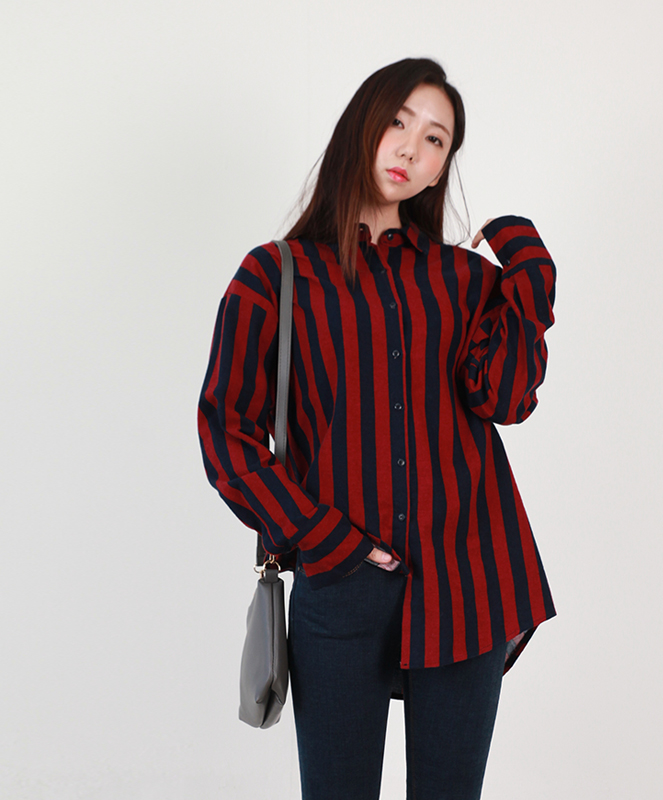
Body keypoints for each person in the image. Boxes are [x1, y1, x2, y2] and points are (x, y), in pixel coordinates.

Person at [198, 57, 557, 800]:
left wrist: (527, 263)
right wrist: (328, 541)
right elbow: (227, 435)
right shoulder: (274, 276)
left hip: (470, 579)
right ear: (361, 124)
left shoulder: (465, 280)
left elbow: (504, 397)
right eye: (398, 122)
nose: (410, 148)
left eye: (435, 140)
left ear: (440, 170)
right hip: (340, 587)